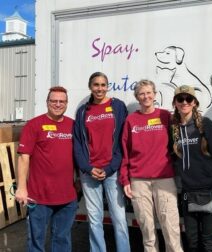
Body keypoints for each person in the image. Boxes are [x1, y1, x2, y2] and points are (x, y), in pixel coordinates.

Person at [119, 79, 183, 252]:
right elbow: (125, 151)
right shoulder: (131, 120)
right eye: (142, 93)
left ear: (154, 95)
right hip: (139, 181)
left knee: (171, 228)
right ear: (137, 97)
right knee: (147, 229)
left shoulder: (165, 117)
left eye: (149, 93)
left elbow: (178, 144)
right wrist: (125, 180)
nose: (146, 96)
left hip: (164, 179)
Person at [15, 86, 78, 252]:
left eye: (62, 101)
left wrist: (78, 180)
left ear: (67, 103)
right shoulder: (34, 125)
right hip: (39, 198)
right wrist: (22, 188)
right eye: (54, 101)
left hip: (67, 198)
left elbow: (80, 155)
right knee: (36, 242)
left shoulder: (73, 125)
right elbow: (23, 157)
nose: (58, 104)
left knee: (62, 240)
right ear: (47, 102)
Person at [73, 72, 130, 252]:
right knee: (95, 218)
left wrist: (111, 167)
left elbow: (124, 140)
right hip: (89, 173)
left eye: (103, 85)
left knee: (119, 218)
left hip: (112, 172)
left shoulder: (117, 107)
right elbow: (78, 144)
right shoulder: (83, 111)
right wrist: (88, 168)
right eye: (96, 84)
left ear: (107, 86)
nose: (100, 88)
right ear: (90, 86)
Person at [171, 85, 212, 252]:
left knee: (208, 240)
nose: (184, 102)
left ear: (194, 102)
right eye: (180, 99)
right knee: (192, 240)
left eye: (188, 99)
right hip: (188, 193)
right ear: (175, 103)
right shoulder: (174, 130)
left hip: (210, 191)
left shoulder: (205, 125)